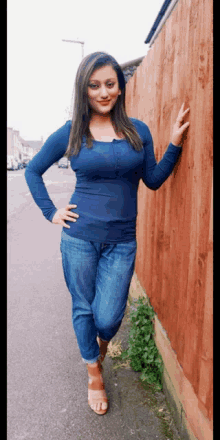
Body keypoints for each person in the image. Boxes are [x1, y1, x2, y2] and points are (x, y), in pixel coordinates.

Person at [25, 51, 190, 416]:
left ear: (120, 86)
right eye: (94, 85)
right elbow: (33, 171)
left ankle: (96, 345)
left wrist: (175, 144)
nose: (103, 92)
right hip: (79, 237)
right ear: (83, 91)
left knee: (110, 317)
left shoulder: (138, 131)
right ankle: (93, 371)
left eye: (110, 84)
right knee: (83, 307)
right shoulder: (72, 132)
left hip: (122, 241)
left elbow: (153, 180)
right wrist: (51, 212)